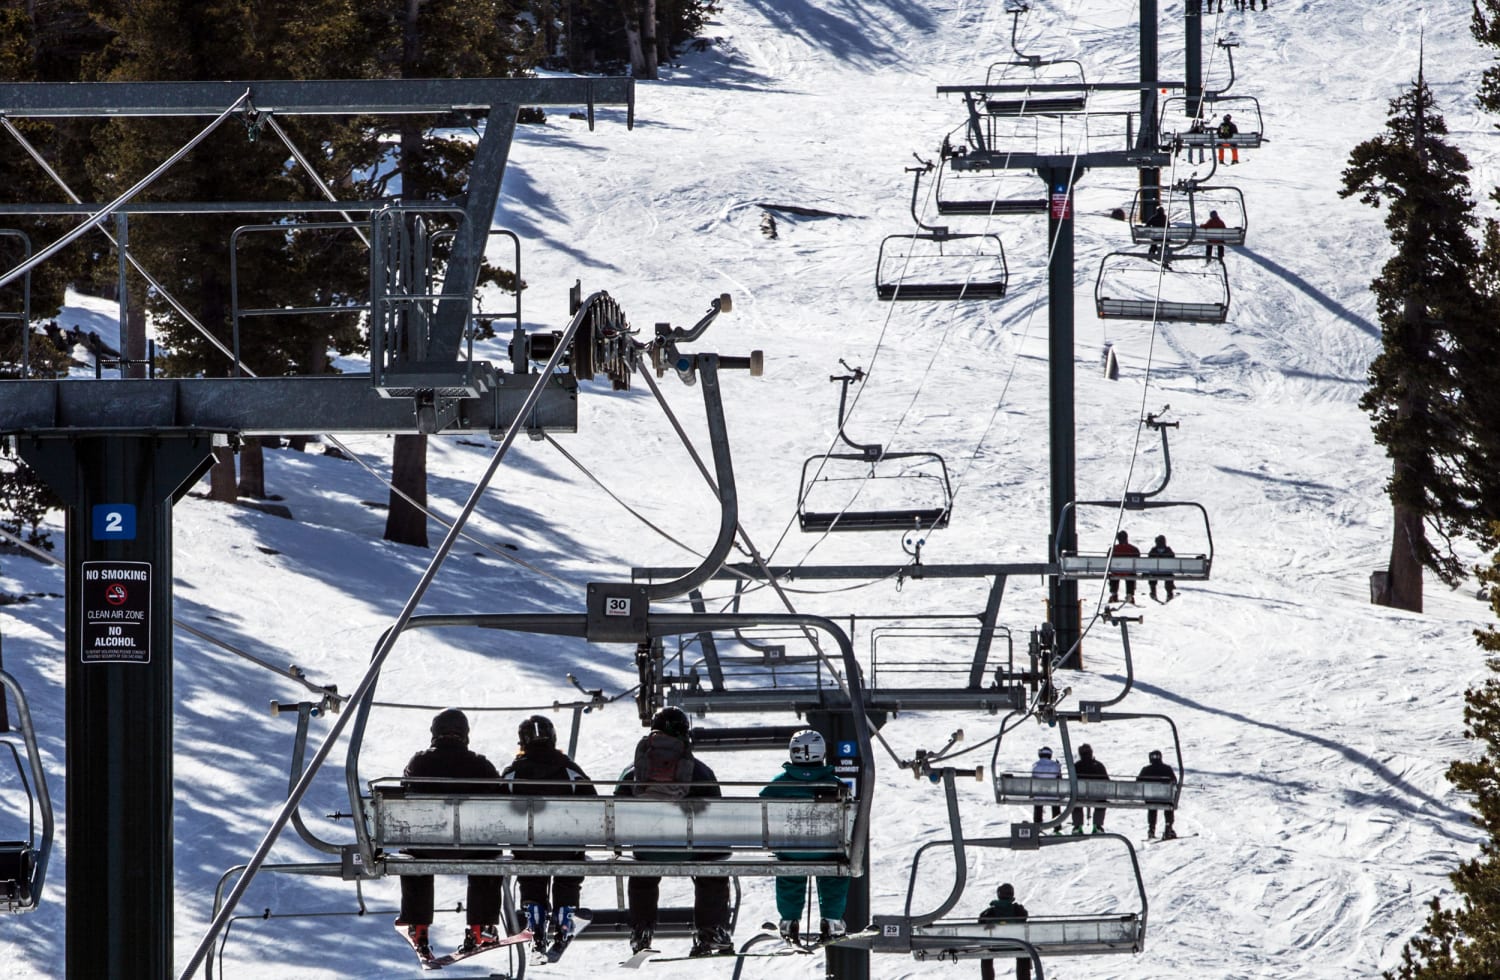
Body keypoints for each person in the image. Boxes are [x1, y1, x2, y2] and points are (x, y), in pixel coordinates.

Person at [617, 707, 734, 957]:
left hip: (648, 852)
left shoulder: (634, 771)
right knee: (712, 867)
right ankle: (711, 929)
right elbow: (716, 816)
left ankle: (641, 929)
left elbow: (616, 811)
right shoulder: (700, 772)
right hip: (690, 851)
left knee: (642, 871)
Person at [395, 709, 504, 961]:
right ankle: (482, 927)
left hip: (427, 845)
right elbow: (501, 799)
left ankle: (417, 925)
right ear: (464, 734)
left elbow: (404, 793)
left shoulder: (419, 762)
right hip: (472, 846)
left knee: (412, 857)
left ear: (435, 733)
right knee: (490, 857)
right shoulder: (480, 764)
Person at [499, 714, 597, 958]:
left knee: (531, 877)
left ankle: (535, 923)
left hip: (528, 847)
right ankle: (565, 919)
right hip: (566, 847)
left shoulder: (513, 772)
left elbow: (494, 807)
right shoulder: (568, 769)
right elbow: (594, 803)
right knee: (568, 874)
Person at [760, 729, 850, 945]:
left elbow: (762, 808)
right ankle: (832, 920)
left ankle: (789, 920)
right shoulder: (835, 784)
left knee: (789, 874)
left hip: (790, 851)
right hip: (828, 850)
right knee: (834, 876)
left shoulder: (778, 785)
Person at [978, 883, 1031, 980]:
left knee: (985, 954)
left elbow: (980, 924)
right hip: (1016, 945)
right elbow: (1024, 917)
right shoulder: (1018, 910)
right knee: (1025, 953)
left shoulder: (990, 912)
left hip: (994, 946)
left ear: (999, 894)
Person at [1137, 749, 1178, 840]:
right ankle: (1168, 826)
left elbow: (1138, 782)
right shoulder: (1167, 769)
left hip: (1151, 798)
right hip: (1165, 798)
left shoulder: (1146, 769)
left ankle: (1151, 829)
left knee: (1152, 807)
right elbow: (1174, 781)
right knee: (1168, 805)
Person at [1071, 743, 1108, 834]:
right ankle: (1098, 826)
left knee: (1075, 802)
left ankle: (1077, 826)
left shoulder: (1076, 766)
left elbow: (1071, 782)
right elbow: (1107, 781)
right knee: (1102, 802)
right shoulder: (1098, 765)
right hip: (1097, 796)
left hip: (1080, 796)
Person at [1030, 745, 1063, 833]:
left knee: (1038, 804)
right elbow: (1060, 780)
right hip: (1053, 794)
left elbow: (1033, 780)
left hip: (1039, 794)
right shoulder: (1055, 765)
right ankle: (1057, 827)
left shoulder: (1035, 765)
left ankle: (1037, 825)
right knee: (1055, 804)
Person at [1108, 530, 1140, 604]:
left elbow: (1108, 560)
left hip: (1116, 572)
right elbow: (1138, 560)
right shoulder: (1133, 549)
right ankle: (1129, 594)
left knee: (1113, 574)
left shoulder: (1113, 549)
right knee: (1131, 574)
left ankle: (1114, 594)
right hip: (1129, 572)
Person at [1147, 533, 1177, 602]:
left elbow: (1148, 560)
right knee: (1169, 576)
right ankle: (1169, 592)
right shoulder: (1168, 550)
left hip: (1155, 572)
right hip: (1166, 572)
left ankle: (1153, 591)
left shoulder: (1153, 550)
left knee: (1151, 577)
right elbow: (1173, 560)